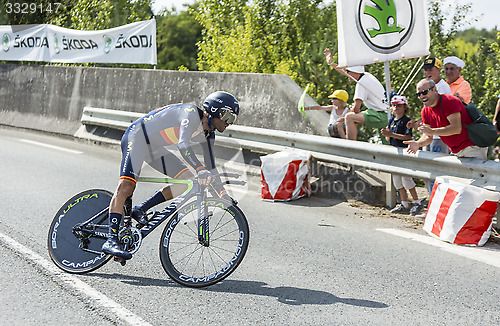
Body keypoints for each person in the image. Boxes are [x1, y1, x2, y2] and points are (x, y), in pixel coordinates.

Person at [102, 91, 240, 259]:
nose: (229, 123)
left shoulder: (209, 135)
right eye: (227, 117)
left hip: (154, 148)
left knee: (187, 182)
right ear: (214, 110)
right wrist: (199, 168)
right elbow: (183, 145)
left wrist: (223, 194)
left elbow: (211, 168)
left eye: (233, 120)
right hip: (136, 137)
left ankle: (141, 209)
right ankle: (111, 239)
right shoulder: (190, 113)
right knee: (127, 186)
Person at [404, 79, 487, 159]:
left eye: (424, 92)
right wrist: (418, 143)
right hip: (456, 150)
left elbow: (456, 128)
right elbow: (428, 136)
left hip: (473, 146)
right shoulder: (425, 111)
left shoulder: (449, 101)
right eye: (418, 94)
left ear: (435, 90)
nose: (422, 96)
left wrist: (432, 131)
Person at [324, 48, 387, 141]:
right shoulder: (366, 75)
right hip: (386, 114)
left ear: (354, 72)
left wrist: (343, 118)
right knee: (387, 143)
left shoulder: (361, 84)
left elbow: (356, 109)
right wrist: (331, 63)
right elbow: (346, 71)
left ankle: (351, 146)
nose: (347, 74)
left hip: (380, 116)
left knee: (350, 117)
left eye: (348, 72)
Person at [381, 95, 423, 215]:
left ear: (405, 107)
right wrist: (387, 134)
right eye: (394, 105)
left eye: (399, 105)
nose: (396, 108)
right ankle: (404, 203)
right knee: (397, 180)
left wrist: (392, 135)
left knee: (406, 179)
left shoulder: (406, 120)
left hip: (404, 152)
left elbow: (407, 137)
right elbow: (389, 138)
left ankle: (416, 202)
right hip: (395, 152)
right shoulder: (391, 120)